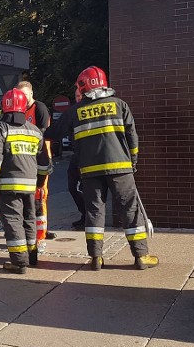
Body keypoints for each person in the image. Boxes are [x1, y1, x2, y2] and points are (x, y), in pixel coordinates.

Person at [45, 66, 158, 270]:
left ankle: (96, 258)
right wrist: (133, 161)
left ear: (83, 86)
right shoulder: (120, 105)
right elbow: (132, 137)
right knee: (130, 211)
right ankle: (141, 256)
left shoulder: (75, 111)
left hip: (89, 171)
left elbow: (53, 133)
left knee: (94, 212)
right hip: (121, 169)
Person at [0, 88, 44, 274]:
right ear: (23, 107)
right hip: (30, 184)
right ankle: (31, 254)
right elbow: (42, 159)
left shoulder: (0, 128)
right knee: (29, 219)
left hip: (8, 184)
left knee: (13, 221)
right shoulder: (34, 131)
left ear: (4, 107)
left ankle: (19, 262)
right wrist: (40, 181)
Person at [16, 81, 54, 259]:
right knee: (28, 198)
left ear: (31, 93)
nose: (23, 99)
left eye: (25, 95)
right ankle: (32, 233)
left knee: (40, 196)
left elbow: (43, 131)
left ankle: (40, 237)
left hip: (41, 156)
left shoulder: (39, 108)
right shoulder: (20, 109)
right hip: (26, 157)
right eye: (20, 96)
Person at [67, 86, 86, 230]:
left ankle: (88, 217)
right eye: (76, 96)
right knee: (72, 187)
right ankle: (84, 214)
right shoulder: (73, 112)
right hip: (76, 156)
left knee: (86, 189)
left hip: (87, 157)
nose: (78, 98)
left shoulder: (86, 112)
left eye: (80, 95)